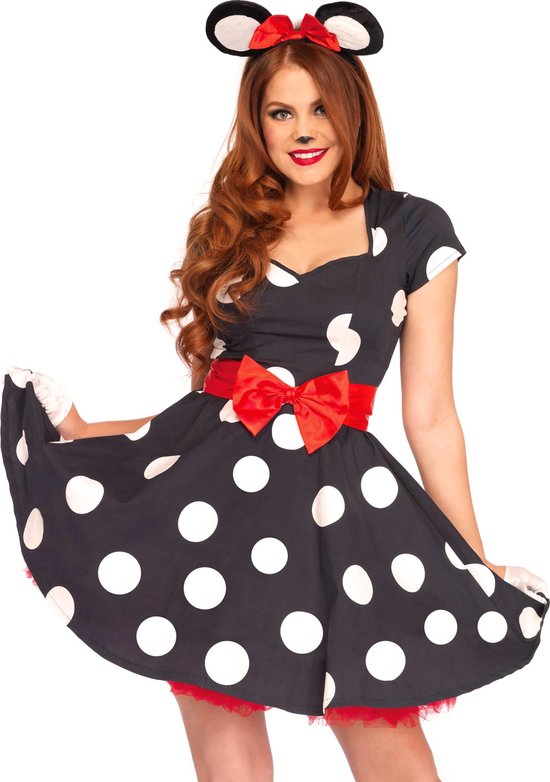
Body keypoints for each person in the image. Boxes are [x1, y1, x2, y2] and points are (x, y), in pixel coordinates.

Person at [1, 3, 548, 781]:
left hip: (344, 515)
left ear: (354, 109)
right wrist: (86, 432)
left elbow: (430, 414)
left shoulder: (413, 232)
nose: (303, 130)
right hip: (216, 513)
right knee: (225, 750)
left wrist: (472, 561)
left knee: (388, 745)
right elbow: (207, 412)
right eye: (281, 111)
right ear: (256, 123)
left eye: (321, 108)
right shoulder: (229, 229)